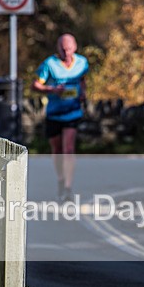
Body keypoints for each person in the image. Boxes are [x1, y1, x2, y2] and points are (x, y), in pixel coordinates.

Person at [32, 33, 89, 202]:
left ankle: (68, 187)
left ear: (75, 47)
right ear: (58, 49)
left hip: (73, 111)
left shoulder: (82, 63)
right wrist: (52, 90)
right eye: (63, 49)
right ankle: (61, 179)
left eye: (69, 49)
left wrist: (83, 93)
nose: (66, 53)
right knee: (57, 150)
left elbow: (82, 80)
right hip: (54, 113)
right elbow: (35, 85)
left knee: (68, 149)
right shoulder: (49, 64)